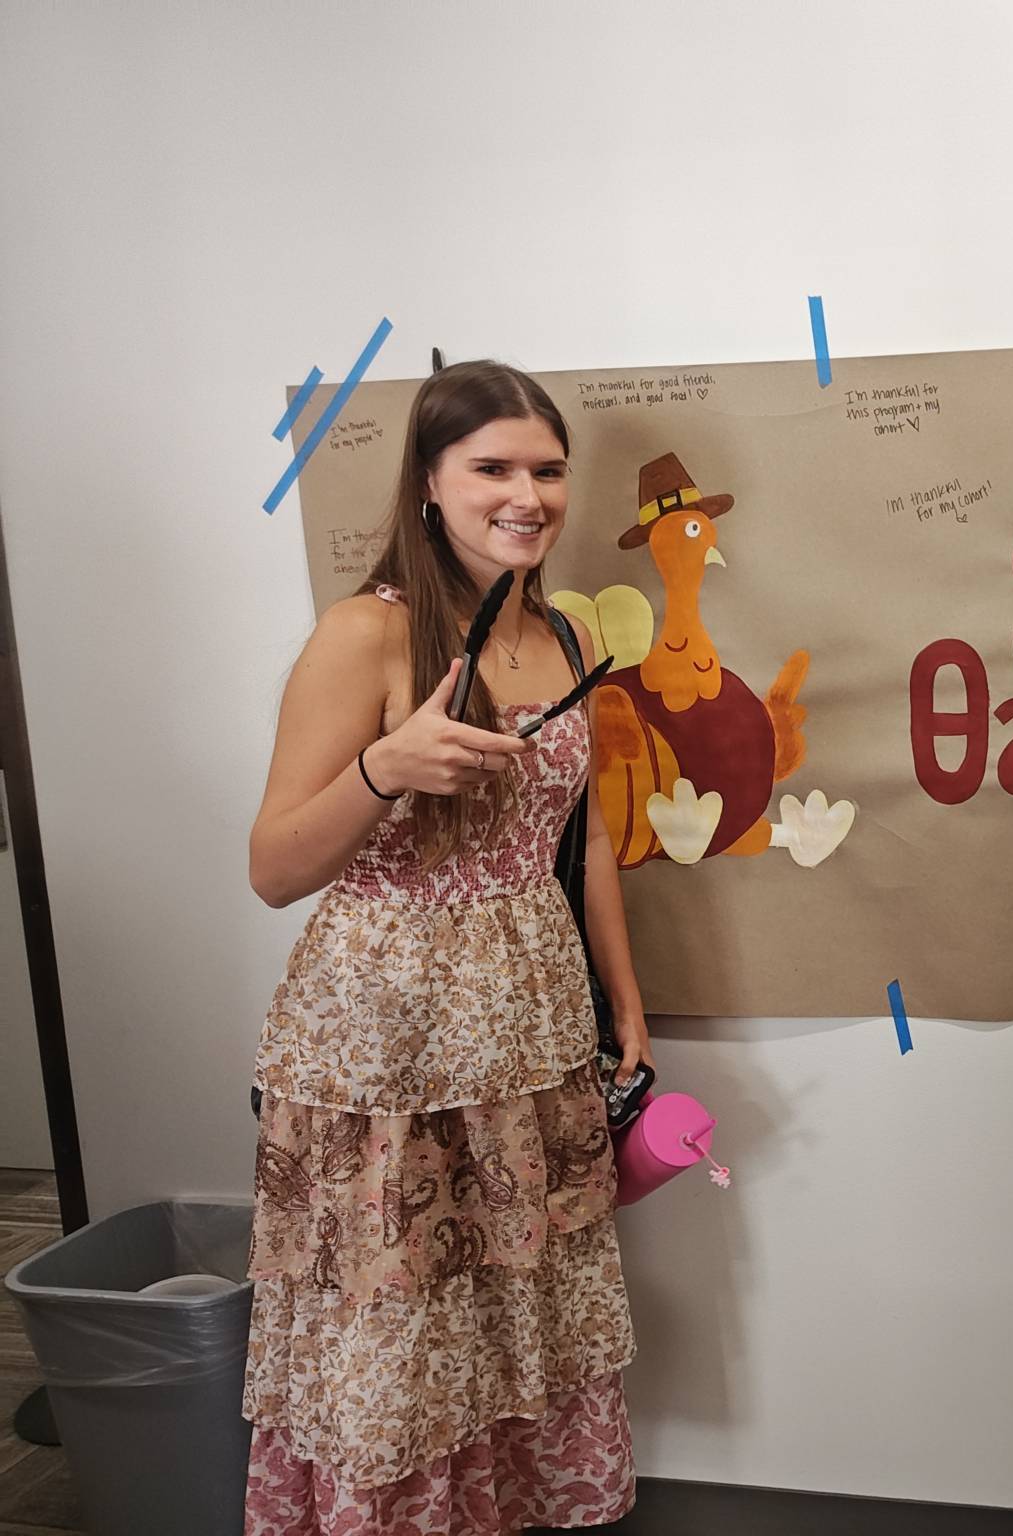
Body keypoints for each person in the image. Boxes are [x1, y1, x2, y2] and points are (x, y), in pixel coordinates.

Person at [242, 360, 652, 1534]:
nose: (527, 494)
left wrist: (622, 998)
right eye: (492, 468)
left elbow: (587, 842)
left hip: (526, 1032)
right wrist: (386, 771)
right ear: (429, 483)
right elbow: (272, 868)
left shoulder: (567, 632)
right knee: (400, 1328)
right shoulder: (362, 634)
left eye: (547, 470)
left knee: (516, 1309)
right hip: (386, 1048)